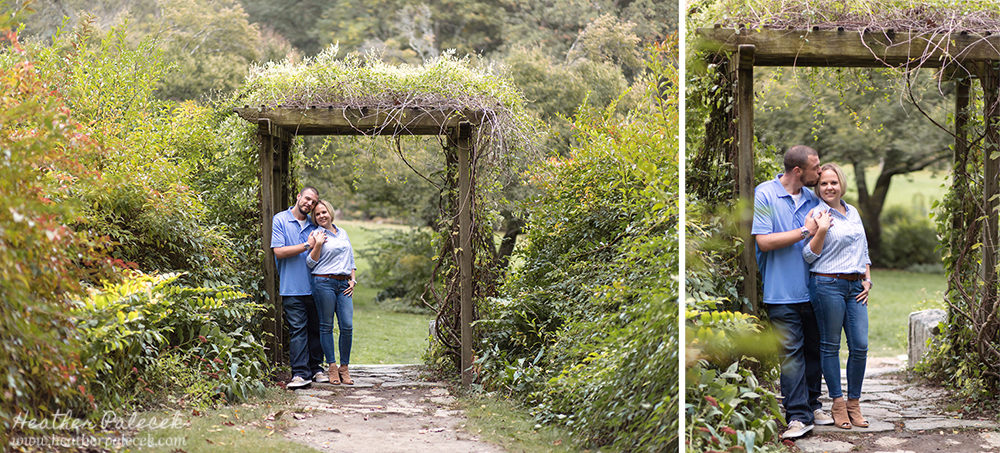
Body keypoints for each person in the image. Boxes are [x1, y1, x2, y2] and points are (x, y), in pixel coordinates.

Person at [752, 145, 833, 439]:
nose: (821, 172)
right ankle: (797, 416)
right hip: (781, 292)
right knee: (791, 356)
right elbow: (763, 242)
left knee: (813, 352)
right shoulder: (765, 194)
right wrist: (804, 231)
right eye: (816, 167)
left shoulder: (814, 198)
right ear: (799, 171)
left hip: (815, 290)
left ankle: (813, 405)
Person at [803, 163, 872, 430]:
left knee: (860, 345)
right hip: (827, 284)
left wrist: (867, 278)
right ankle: (838, 403)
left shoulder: (852, 211)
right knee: (830, 346)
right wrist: (820, 230)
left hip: (856, 288)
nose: (829, 187)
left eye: (833, 182)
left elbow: (863, 250)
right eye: (823, 184)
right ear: (818, 188)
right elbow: (808, 255)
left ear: (841, 184)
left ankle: (854, 403)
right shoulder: (816, 213)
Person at [271, 187, 329, 389]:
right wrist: (307, 245)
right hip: (292, 287)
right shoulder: (280, 220)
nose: (310, 204)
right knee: (298, 330)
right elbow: (279, 252)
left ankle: (317, 369)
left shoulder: (316, 224)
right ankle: (299, 374)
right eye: (307, 199)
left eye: (313, 202)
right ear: (298, 197)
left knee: (316, 330)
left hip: (317, 286)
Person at [306, 200, 358, 385]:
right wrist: (318, 244)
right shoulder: (315, 234)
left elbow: (351, 259)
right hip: (324, 282)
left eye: (324, 212)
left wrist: (353, 279)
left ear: (330, 212)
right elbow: (310, 263)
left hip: (344, 285)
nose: (321, 216)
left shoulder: (342, 232)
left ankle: (345, 367)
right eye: (317, 214)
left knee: (347, 326)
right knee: (326, 326)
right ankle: (332, 367)